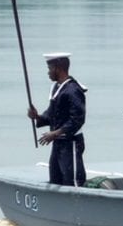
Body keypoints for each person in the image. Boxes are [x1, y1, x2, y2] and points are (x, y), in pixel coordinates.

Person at [27, 52, 87, 187]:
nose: (48, 73)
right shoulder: (57, 88)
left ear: (58, 68)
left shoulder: (73, 90)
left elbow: (77, 119)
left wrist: (55, 133)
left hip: (70, 143)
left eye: (50, 69)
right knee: (55, 178)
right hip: (58, 143)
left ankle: (77, 205)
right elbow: (52, 114)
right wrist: (37, 117)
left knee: (72, 181)